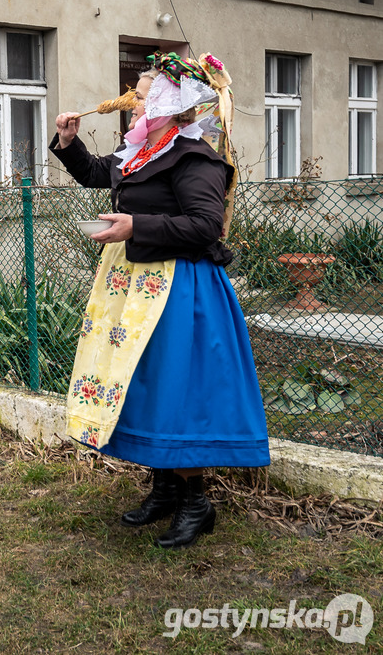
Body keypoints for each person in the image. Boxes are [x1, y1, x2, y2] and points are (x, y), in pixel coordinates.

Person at [50, 52, 269, 549]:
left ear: (172, 104)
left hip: (180, 292)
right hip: (136, 290)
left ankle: (198, 502)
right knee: (143, 385)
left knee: (178, 392)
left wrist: (135, 226)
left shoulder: (195, 157)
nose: (132, 105)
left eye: (143, 97)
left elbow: (206, 225)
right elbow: (96, 173)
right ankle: (165, 489)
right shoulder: (143, 152)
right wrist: (68, 144)